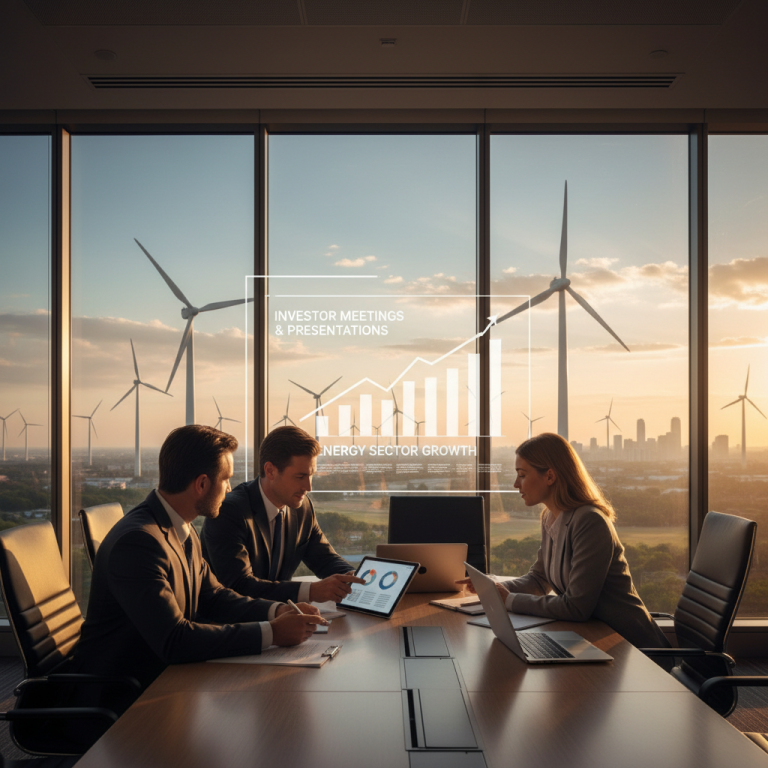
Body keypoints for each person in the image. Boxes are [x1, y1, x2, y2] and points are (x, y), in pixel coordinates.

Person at [72, 425, 326, 701]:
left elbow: (214, 597)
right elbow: (174, 640)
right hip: (122, 696)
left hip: (168, 681)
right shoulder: (138, 543)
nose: (229, 488)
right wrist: (272, 633)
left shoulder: (180, 527)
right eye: (226, 479)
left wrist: (277, 611)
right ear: (202, 484)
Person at [458, 432, 668, 649]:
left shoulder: (590, 521)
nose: (515, 484)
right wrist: (493, 588)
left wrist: (509, 600)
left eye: (522, 475)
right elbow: (539, 580)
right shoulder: (550, 517)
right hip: (593, 637)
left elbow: (576, 607)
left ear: (550, 476)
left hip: (630, 645)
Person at [203, 425, 364, 603]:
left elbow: (324, 559)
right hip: (229, 618)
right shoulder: (230, 511)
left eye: (311, 476)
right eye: (300, 477)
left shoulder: (302, 508)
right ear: (270, 471)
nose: (308, 487)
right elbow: (240, 585)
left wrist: (358, 578)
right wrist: (310, 591)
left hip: (283, 615)